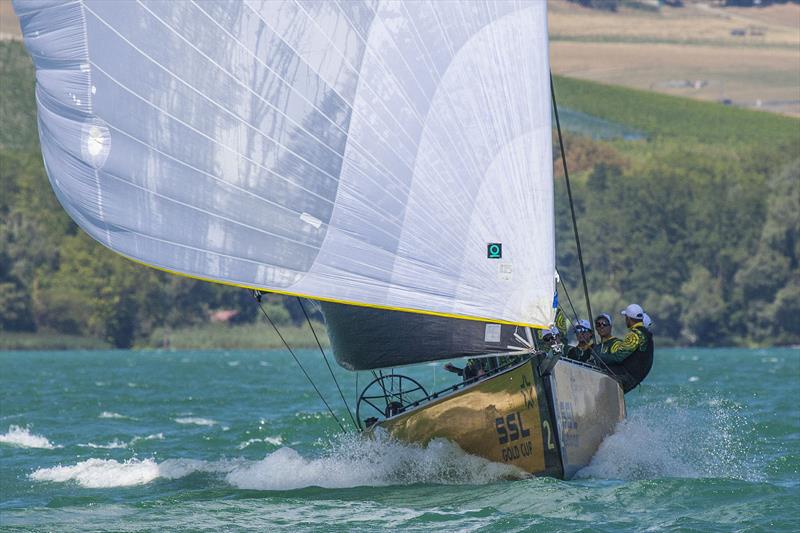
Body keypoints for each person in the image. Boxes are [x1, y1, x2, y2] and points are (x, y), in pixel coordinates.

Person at [599, 303, 654, 393]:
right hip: (637, 376)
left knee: (595, 367)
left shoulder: (635, 335)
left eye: (625, 318)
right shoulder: (647, 334)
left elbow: (618, 357)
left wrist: (600, 358)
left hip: (628, 376)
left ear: (628, 319)